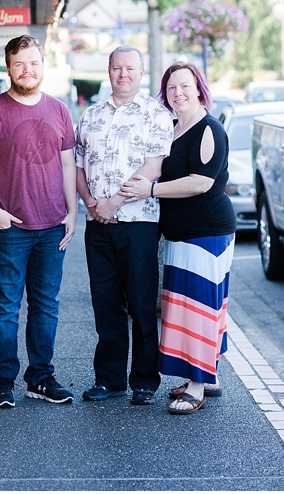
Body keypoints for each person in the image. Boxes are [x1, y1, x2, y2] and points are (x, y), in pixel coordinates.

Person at [0, 34, 78, 409]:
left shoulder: (60, 111)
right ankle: (2, 382)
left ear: (42, 65)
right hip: (8, 228)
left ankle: (41, 378)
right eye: (19, 64)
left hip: (51, 227)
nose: (27, 70)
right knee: (5, 306)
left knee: (46, 305)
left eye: (33, 63)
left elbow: (67, 165)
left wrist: (73, 211)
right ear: (9, 67)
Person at [120, 61, 236, 415]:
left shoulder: (208, 130)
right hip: (181, 235)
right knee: (190, 308)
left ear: (199, 88)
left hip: (207, 233)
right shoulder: (172, 128)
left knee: (200, 308)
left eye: (184, 86)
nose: (178, 93)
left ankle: (197, 387)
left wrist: (151, 189)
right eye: (171, 88)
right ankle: (205, 375)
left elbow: (201, 182)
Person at [75, 46, 173, 405]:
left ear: (141, 73)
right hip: (97, 225)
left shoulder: (156, 115)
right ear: (109, 71)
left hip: (138, 223)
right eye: (117, 68)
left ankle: (145, 380)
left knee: (142, 302)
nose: (123, 74)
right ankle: (110, 379)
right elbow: (79, 166)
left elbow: (154, 167)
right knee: (106, 304)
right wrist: (91, 204)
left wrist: (113, 203)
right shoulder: (90, 116)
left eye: (130, 68)